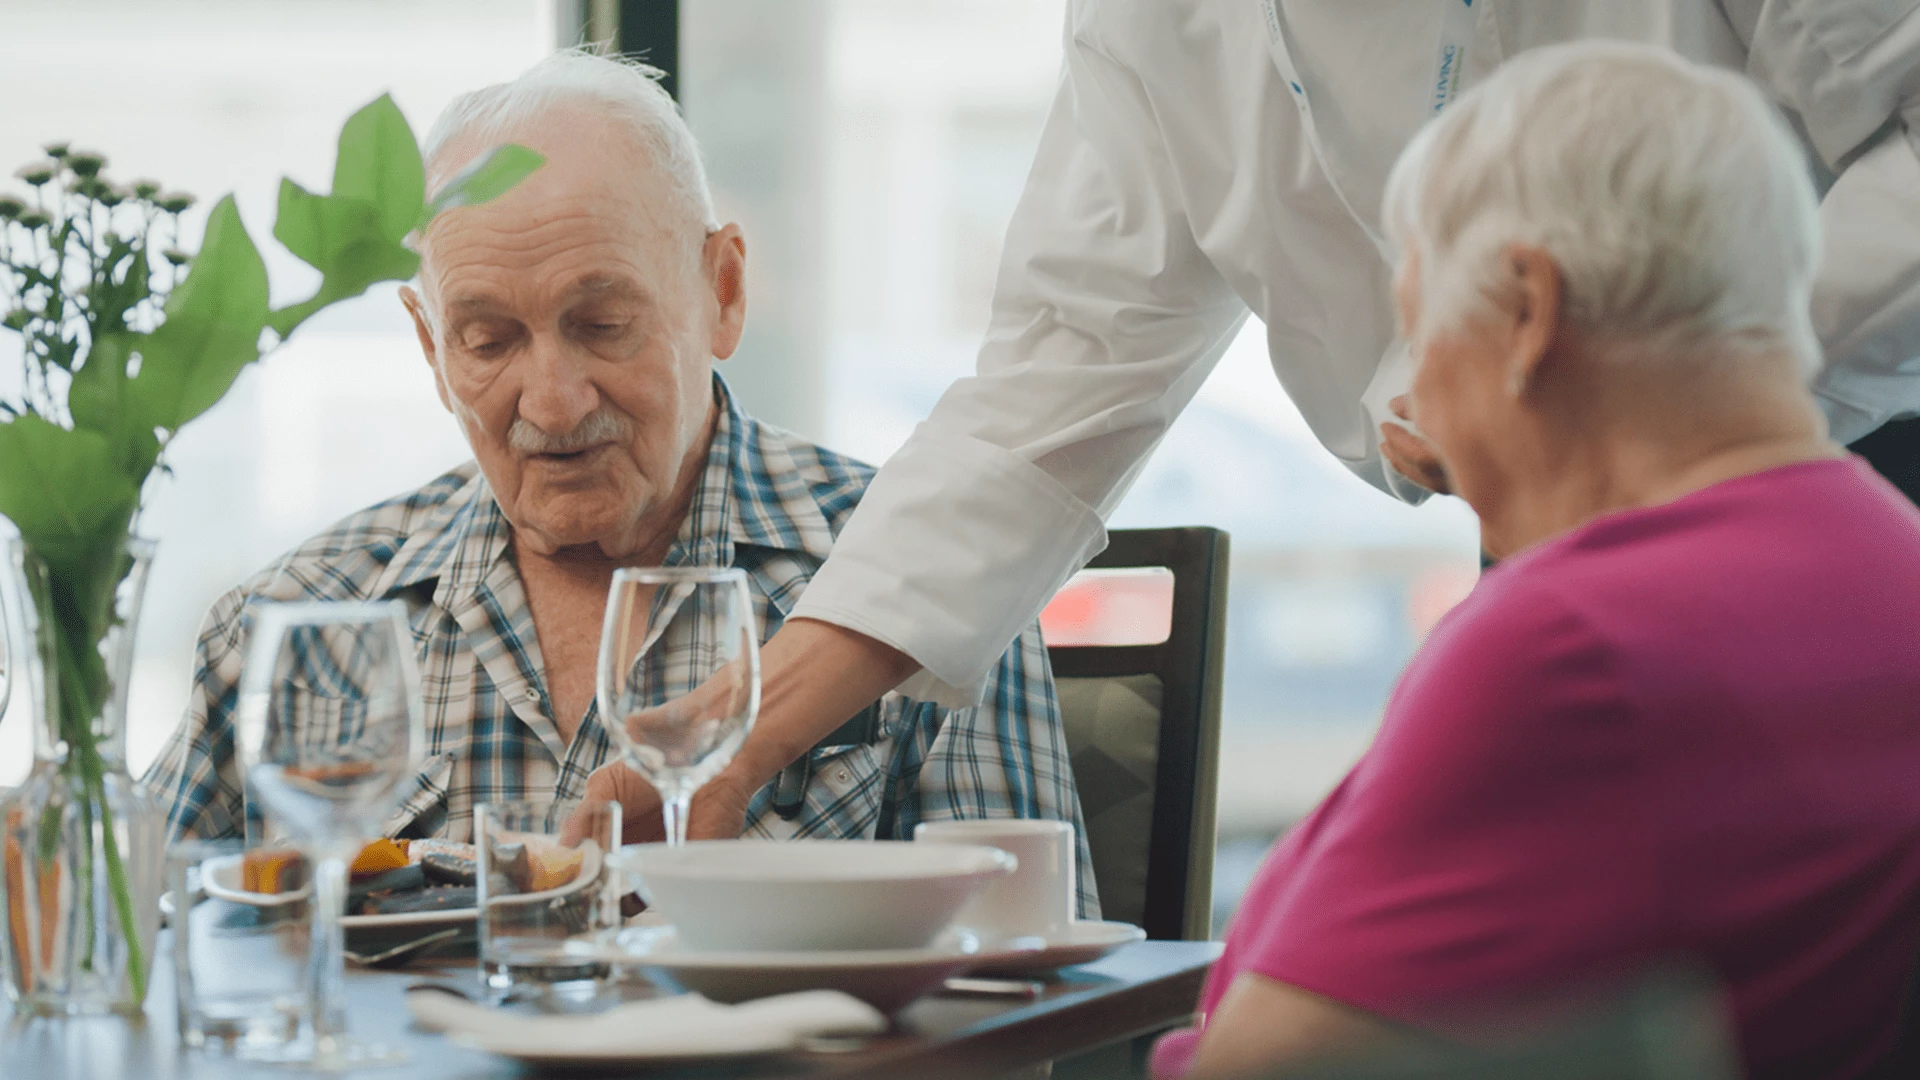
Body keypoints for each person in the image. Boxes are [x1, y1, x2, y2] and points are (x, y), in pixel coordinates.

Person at [640, 0, 1920, 844]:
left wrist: (1636, 360)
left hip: (1854, 457)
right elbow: (1055, 379)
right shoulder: (1148, 24)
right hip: (1553, 533)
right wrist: (738, 738)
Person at [147, 52, 1097, 915]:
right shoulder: (289, 625)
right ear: (430, 344)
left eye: (603, 324)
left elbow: (1020, 999)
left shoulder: (934, 586)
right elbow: (113, 965)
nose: (553, 406)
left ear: (722, 291)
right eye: (487, 340)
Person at [1147, 42, 1920, 1080]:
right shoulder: (1890, 565)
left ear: (1526, 310)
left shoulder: (1570, 644)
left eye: (1419, 328)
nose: (1416, 400)